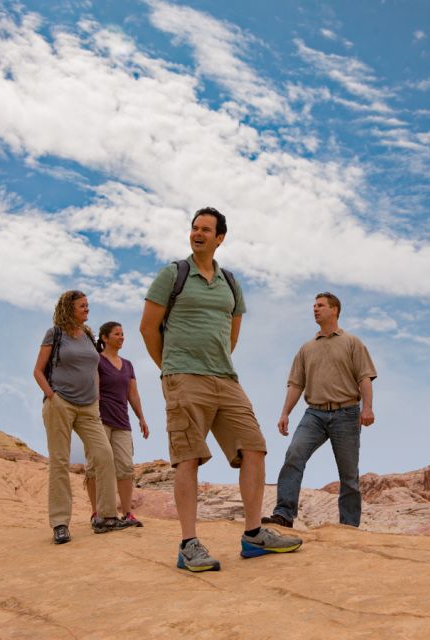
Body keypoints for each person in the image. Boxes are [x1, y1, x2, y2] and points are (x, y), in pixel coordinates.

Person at [140, 206, 302, 572]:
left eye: (206, 229)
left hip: (225, 378)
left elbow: (233, 329)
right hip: (183, 377)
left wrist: (216, 362)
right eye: (194, 228)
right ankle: (188, 544)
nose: (197, 234)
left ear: (220, 238)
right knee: (188, 457)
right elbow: (148, 328)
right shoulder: (172, 275)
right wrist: (170, 368)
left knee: (255, 447)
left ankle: (254, 535)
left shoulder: (230, 282)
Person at [263, 293, 376, 529]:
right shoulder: (306, 348)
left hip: (346, 413)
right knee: (294, 455)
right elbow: (296, 384)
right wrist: (285, 413)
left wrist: (367, 407)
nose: (315, 309)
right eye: (313, 305)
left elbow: (365, 377)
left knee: (348, 475)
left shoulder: (352, 342)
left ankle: (348, 526)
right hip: (314, 414)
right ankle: (284, 514)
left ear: (334, 310)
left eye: (320, 305)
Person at [32, 290, 130, 544]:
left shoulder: (87, 335)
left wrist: (96, 396)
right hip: (60, 403)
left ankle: (106, 517)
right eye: (82, 306)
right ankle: (60, 523)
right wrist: (51, 396)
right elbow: (38, 370)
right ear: (69, 308)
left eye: (87, 305)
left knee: (104, 455)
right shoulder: (54, 334)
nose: (87, 310)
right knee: (60, 461)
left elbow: (94, 368)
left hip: (89, 407)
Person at [84, 321, 150, 527]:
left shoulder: (128, 365)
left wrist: (141, 417)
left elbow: (133, 394)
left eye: (123, 334)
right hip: (99, 422)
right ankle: (96, 512)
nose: (121, 337)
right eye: (116, 334)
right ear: (104, 338)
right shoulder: (97, 361)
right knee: (96, 467)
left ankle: (127, 513)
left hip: (122, 422)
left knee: (125, 467)